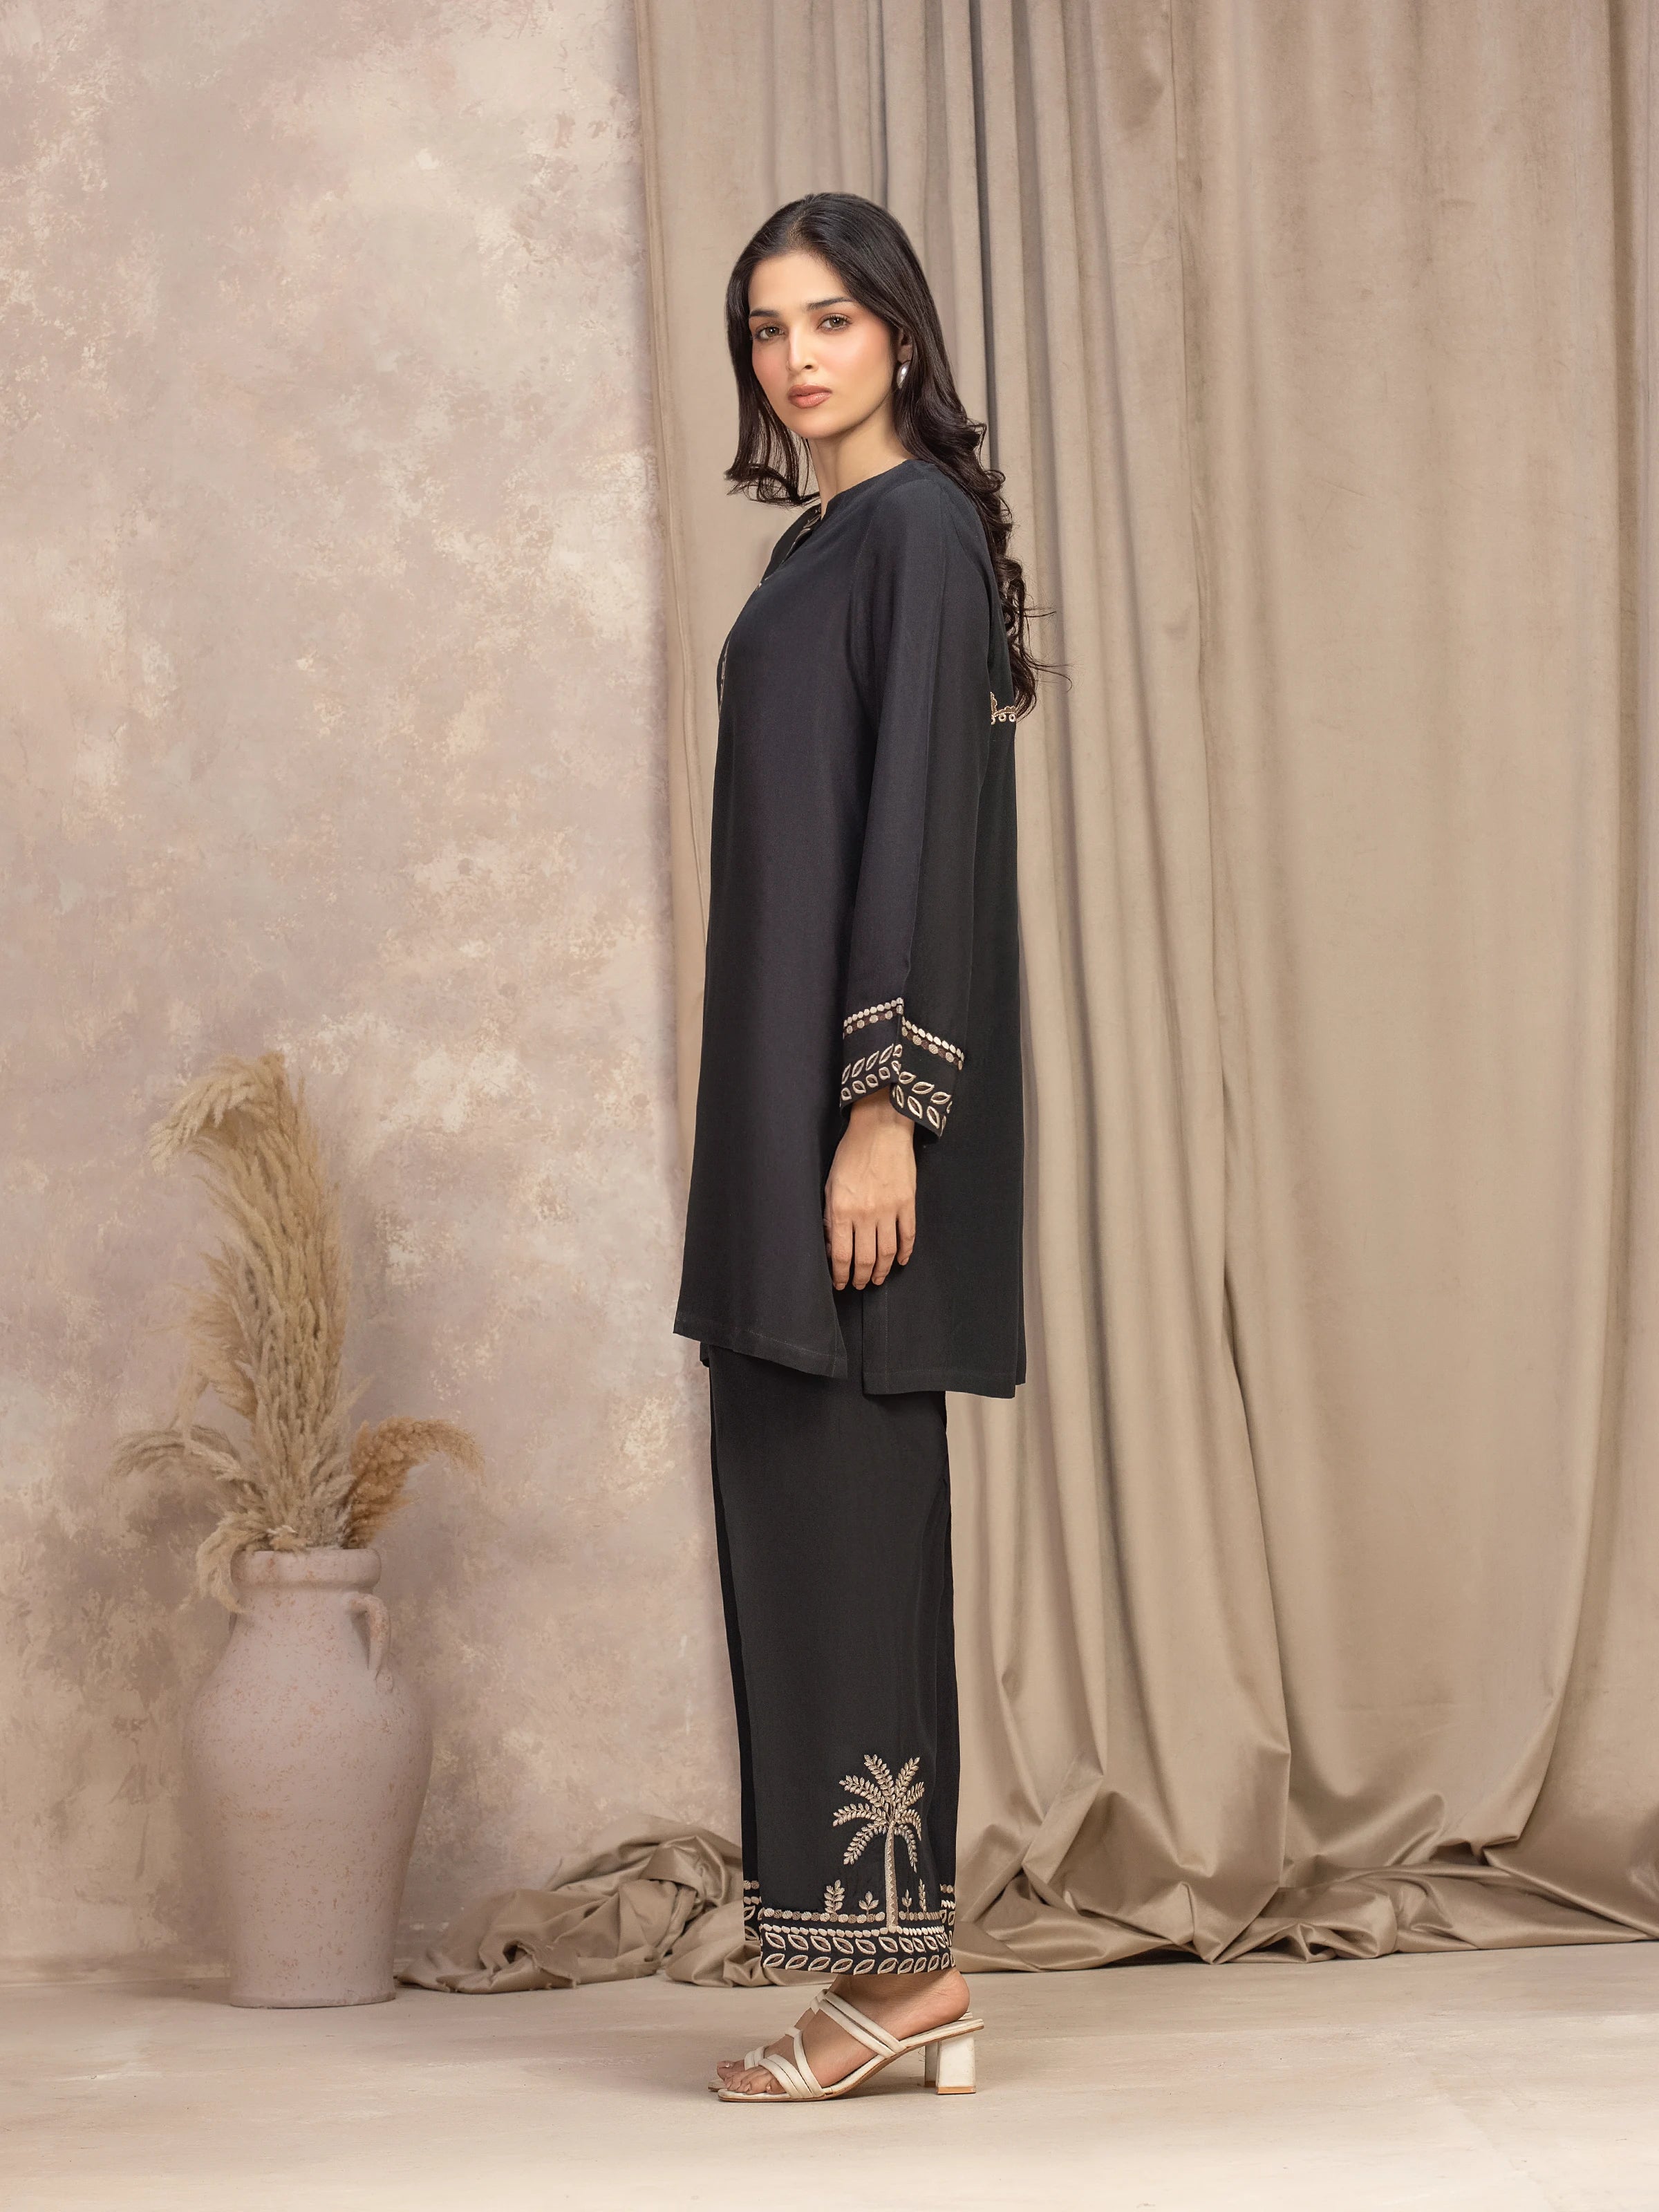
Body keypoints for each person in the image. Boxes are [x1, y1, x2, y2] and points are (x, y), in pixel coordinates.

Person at [673, 191, 1047, 2102]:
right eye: (768, 327)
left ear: (898, 331)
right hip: (779, 1108)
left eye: (830, 319)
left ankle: (902, 1976)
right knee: (794, 1496)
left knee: (847, 1510)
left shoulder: (912, 533)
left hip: (853, 1117)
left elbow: (915, 832)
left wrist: (883, 1115)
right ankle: (877, 1956)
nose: (797, 357)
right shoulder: (818, 543)